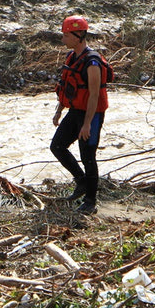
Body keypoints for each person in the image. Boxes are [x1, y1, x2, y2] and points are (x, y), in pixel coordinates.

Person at [50, 15, 109, 215]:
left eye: (66, 35)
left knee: (88, 156)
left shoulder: (92, 62)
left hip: (91, 115)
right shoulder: (71, 57)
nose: (63, 38)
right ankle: (81, 181)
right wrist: (59, 111)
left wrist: (87, 124)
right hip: (75, 111)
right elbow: (66, 86)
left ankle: (91, 201)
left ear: (78, 36)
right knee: (57, 146)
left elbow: (94, 95)